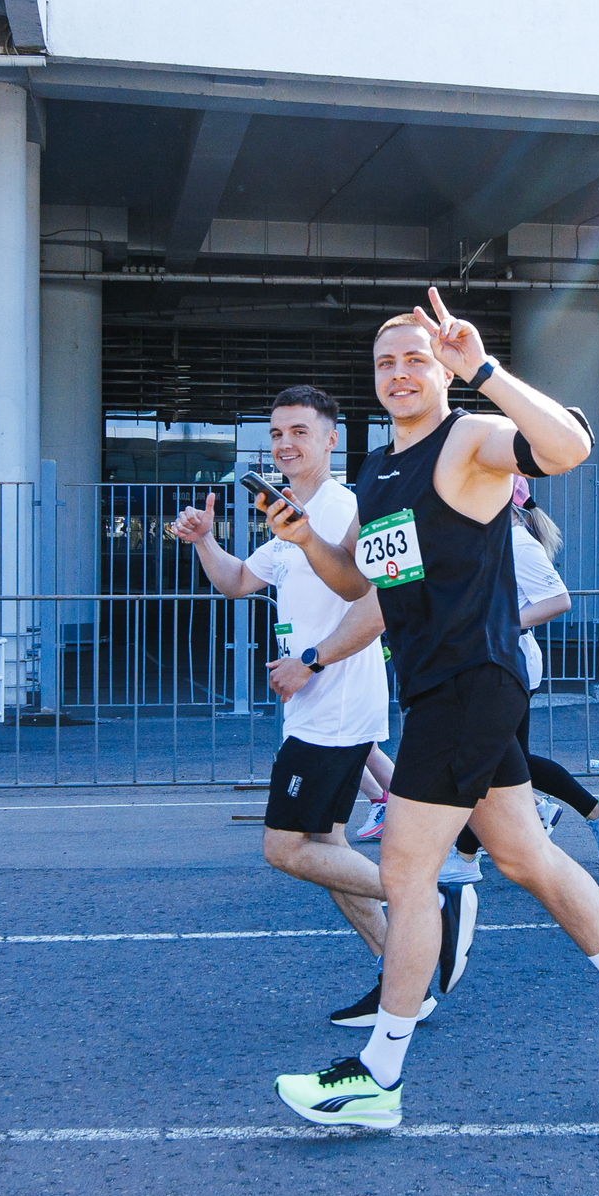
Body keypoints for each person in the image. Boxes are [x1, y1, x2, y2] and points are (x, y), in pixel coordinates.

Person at [269, 289, 599, 1128]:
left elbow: (569, 447)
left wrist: (485, 369)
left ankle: (379, 1076)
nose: (399, 373)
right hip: (438, 685)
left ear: (441, 369)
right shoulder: (377, 470)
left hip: (471, 682)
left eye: (415, 359)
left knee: (405, 873)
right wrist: (306, 539)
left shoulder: (468, 440)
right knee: (528, 859)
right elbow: (363, 584)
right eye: (385, 362)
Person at [169, 386, 412, 1027]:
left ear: (331, 440)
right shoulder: (285, 512)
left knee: (284, 848)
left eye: (300, 432)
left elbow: (373, 599)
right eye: (277, 434)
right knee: (326, 849)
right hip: (313, 710)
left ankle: (426, 897)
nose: (285, 444)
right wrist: (205, 541)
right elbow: (237, 582)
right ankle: (404, 983)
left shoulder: (345, 508)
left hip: (336, 707)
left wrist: (311, 661)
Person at [440, 476, 599, 884]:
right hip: (498, 664)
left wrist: (497, 625)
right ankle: (584, 811)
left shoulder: (519, 543)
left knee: (485, 760)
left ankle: (466, 857)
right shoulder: (495, 538)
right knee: (507, 760)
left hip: (510, 666)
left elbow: (558, 601)